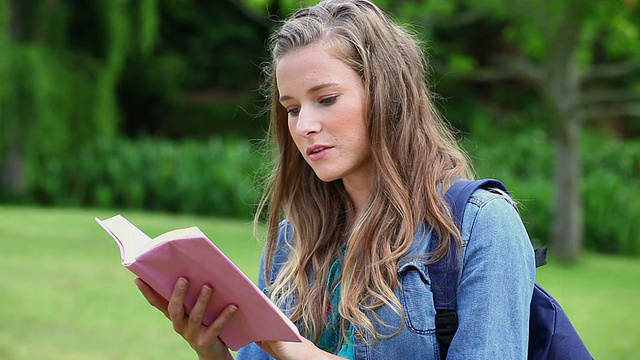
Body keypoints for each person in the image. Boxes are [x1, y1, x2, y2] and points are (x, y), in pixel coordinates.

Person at [135, 0, 536, 359]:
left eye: (326, 99)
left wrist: (302, 354)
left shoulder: (480, 225)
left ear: (386, 94)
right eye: (291, 109)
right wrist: (214, 353)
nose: (304, 125)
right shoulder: (292, 242)